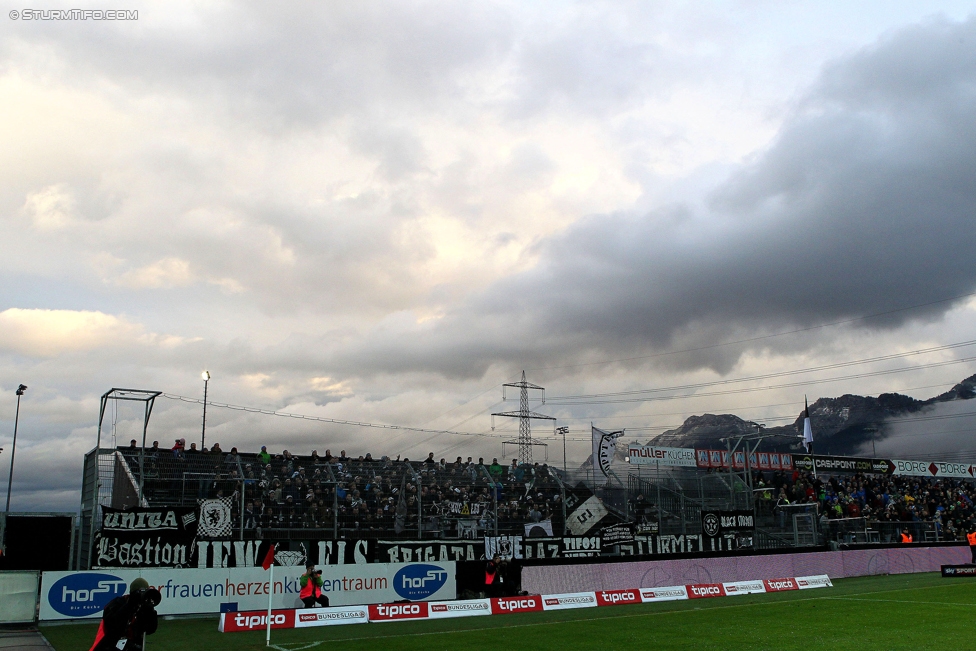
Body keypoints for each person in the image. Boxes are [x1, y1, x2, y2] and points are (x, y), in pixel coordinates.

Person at [89, 578, 160, 651]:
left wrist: (150, 609)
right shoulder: (118, 603)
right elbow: (112, 623)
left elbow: (150, 629)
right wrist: (130, 605)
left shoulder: (143, 608)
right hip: (108, 646)